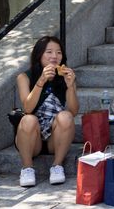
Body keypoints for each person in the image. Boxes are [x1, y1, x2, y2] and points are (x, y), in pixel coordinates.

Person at [15, 35, 78, 187]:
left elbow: (73, 111)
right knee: (28, 119)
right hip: (31, 137)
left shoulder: (66, 76)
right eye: (49, 52)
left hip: (54, 138)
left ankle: (57, 166)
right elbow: (28, 108)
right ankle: (27, 168)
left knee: (66, 116)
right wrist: (41, 81)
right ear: (39, 55)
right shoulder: (24, 77)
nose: (54, 56)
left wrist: (70, 86)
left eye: (58, 52)